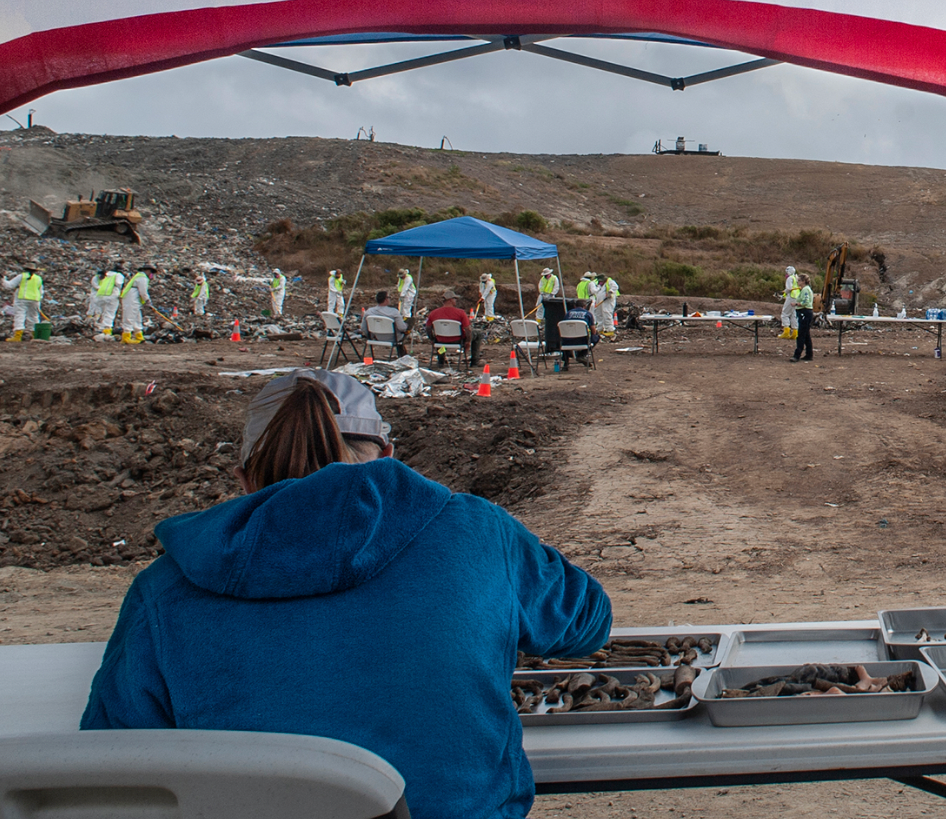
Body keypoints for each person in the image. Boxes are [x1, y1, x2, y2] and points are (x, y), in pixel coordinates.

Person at [81, 368, 612, 819]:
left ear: (244, 477)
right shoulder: (475, 531)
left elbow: (117, 766)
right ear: (387, 452)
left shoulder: (163, 589)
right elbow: (588, 621)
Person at [424, 291, 479, 367]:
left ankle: (441, 360)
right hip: (457, 340)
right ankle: (474, 362)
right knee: (478, 334)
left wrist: (432, 339)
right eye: (454, 299)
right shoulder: (460, 313)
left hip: (441, 340)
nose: (456, 301)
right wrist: (468, 341)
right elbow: (468, 329)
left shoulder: (434, 313)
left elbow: (428, 328)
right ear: (450, 300)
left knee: (439, 337)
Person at [4, 265, 43, 340]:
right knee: (33, 317)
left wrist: (3, 279)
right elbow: (41, 291)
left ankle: (17, 336)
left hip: (22, 299)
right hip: (35, 300)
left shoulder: (22, 276)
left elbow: (9, 286)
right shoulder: (38, 278)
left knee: (20, 316)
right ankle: (34, 335)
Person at [120, 266, 155, 345]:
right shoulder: (142, 278)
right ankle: (126, 336)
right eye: (152, 273)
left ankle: (139, 335)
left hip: (134, 298)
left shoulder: (139, 276)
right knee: (130, 315)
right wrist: (147, 300)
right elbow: (143, 291)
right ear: (148, 271)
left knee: (137, 316)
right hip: (132, 298)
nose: (152, 275)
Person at [93, 269, 123, 340]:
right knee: (110, 313)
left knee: (102, 313)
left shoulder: (106, 275)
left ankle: (100, 329)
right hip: (112, 294)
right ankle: (107, 331)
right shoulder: (118, 275)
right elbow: (118, 284)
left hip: (101, 295)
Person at [792, 277, 816, 362]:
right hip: (806, 312)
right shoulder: (806, 289)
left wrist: (796, 304)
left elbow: (806, 301)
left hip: (804, 312)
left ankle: (797, 355)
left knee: (801, 334)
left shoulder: (805, 290)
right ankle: (809, 354)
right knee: (806, 335)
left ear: (803, 281)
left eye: (799, 280)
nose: (798, 282)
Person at [780, 267, 800, 339]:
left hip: (791, 297)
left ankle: (786, 331)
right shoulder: (796, 278)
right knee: (793, 314)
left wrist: (784, 293)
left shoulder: (789, 278)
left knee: (784, 314)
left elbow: (789, 288)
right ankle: (795, 332)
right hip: (796, 298)